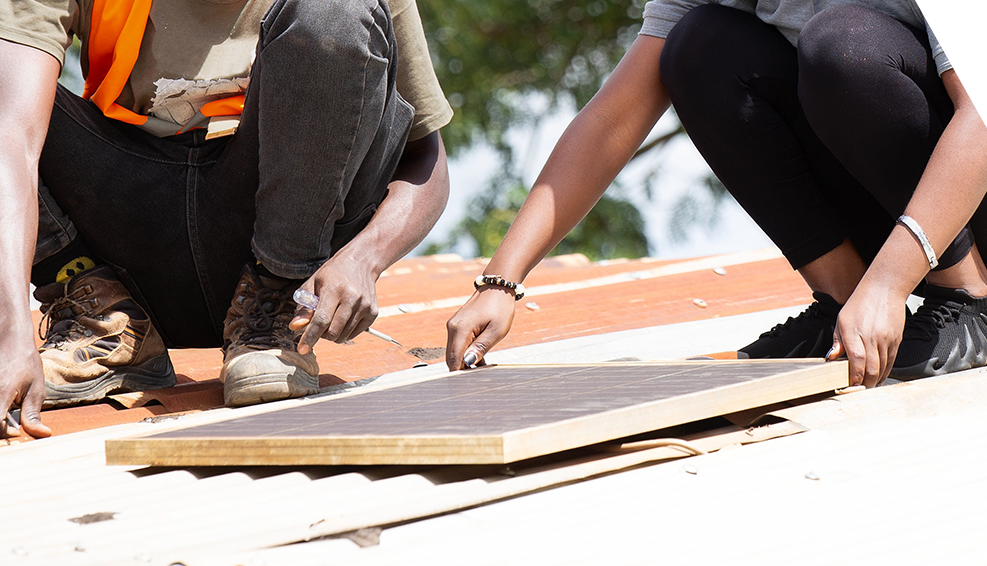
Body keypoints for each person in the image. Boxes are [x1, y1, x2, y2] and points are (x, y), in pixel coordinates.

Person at [445, 0, 987, 390]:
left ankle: (969, 301)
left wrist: (891, 283)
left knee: (843, 47)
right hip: (900, 206)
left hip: (968, 197)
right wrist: (502, 279)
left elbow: (982, 111)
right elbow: (613, 118)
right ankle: (841, 304)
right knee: (698, 45)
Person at [0, 0, 452, 437]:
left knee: (335, 9)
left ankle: (266, 320)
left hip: (279, 261)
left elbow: (424, 161)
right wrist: (14, 325)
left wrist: (365, 259)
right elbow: (12, 133)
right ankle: (105, 327)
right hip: (126, 243)